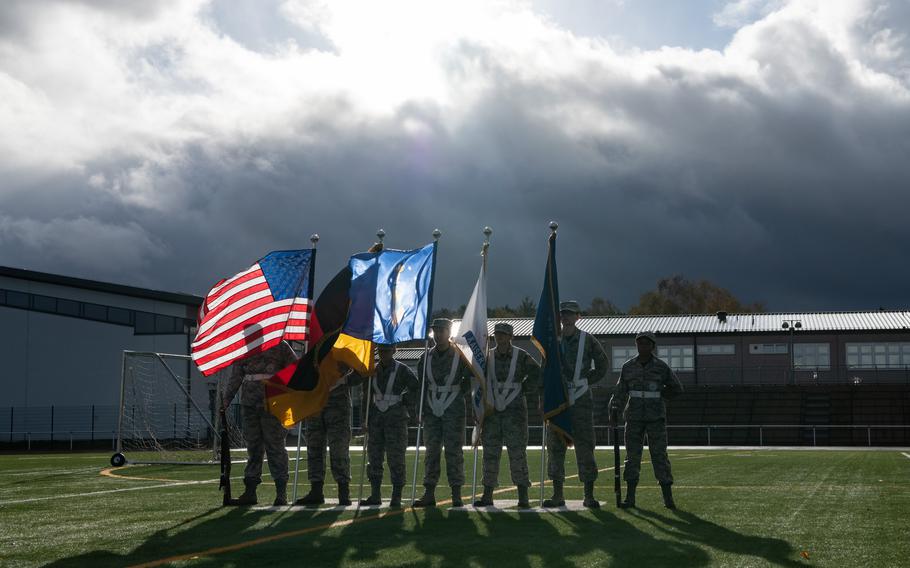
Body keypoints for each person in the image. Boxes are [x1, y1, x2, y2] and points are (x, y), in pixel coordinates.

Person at [544, 300, 609, 508]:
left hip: (580, 401)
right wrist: (542, 398)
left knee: (585, 446)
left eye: (570, 314)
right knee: (555, 447)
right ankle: (557, 495)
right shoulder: (553, 341)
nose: (566, 317)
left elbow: (603, 364)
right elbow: (544, 370)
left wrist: (587, 380)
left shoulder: (587, 340)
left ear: (577, 317)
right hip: (557, 400)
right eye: (563, 314)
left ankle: (589, 495)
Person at [610, 331, 684, 509]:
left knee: (659, 456)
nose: (642, 346)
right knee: (632, 458)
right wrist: (613, 409)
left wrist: (659, 396)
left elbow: (677, 388)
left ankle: (668, 498)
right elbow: (620, 390)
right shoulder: (628, 366)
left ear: (653, 346)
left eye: (646, 343)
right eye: (639, 343)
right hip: (634, 418)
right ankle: (630, 497)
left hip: (655, 418)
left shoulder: (661, 366)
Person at [222, 341, 298, 506]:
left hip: (272, 402)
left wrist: (284, 391)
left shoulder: (279, 345)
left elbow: (294, 369)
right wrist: (227, 398)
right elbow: (237, 376)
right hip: (250, 403)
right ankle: (250, 491)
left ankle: (281, 493)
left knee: (275, 445)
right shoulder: (244, 349)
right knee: (253, 447)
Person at [474, 322, 541, 508]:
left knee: (517, 452)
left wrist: (524, 389)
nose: (500, 337)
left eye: (503, 334)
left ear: (510, 336)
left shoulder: (521, 356)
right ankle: (487, 494)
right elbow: (478, 377)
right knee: (490, 453)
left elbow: (537, 373)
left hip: (515, 412)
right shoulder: (487, 356)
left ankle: (523, 495)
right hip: (492, 412)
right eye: (497, 334)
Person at [413, 318, 473, 508]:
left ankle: (456, 494)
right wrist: (420, 409)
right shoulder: (425, 357)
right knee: (431, 451)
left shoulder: (460, 355)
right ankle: (429, 492)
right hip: (431, 409)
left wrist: (457, 394)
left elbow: (471, 378)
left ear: (449, 333)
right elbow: (421, 386)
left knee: (454, 451)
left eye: (441, 331)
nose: (438, 334)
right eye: (435, 331)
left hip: (453, 409)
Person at [359, 343, 420, 508]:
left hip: (396, 420)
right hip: (376, 420)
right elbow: (366, 394)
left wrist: (406, 403)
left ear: (394, 351)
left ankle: (396, 495)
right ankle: (375, 494)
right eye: (381, 351)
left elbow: (416, 387)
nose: (384, 353)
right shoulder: (372, 370)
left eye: (387, 351)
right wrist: (364, 420)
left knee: (396, 457)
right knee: (374, 457)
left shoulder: (402, 370)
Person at [295, 366, 363, 506]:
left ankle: (343, 491)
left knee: (339, 448)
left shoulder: (343, 347)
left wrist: (344, 380)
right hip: (315, 402)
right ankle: (316, 490)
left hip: (338, 405)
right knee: (314, 448)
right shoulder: (313, 348)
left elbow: (361, 372)